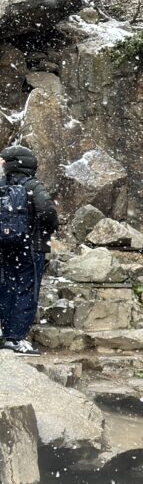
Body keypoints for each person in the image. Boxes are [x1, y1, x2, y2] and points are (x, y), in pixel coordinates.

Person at [0, 145, 58, 355]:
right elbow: (48, 212)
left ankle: (7, 334)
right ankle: (16, 339)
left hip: (6, 246)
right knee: (26, 291)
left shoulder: (1, 185)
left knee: (7, 289)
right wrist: (46, 231)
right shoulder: (32, 185)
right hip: (31, 248)